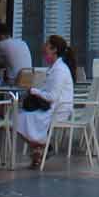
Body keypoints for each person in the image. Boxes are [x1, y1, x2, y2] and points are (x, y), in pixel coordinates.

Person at [12, 35, 72, 166]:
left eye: (46, 45)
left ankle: (42, 147)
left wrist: (33, 91)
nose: (44, 47)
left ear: (54, 49)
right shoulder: (55, 68)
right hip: (51, 107)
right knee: (18, 118)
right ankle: (41, 149)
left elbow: (52, 96)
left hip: (58, 110)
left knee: (18, 119)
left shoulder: (60, 70)